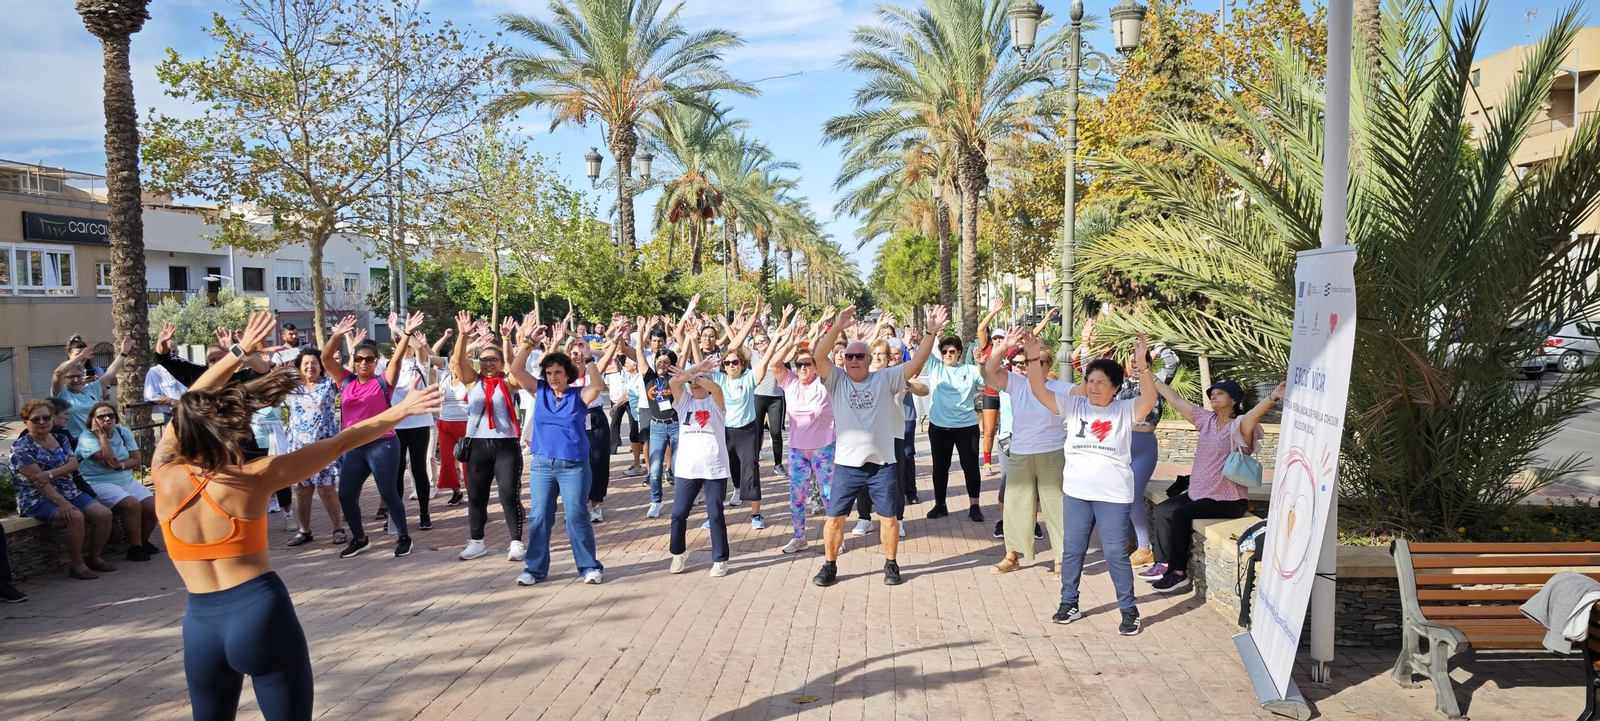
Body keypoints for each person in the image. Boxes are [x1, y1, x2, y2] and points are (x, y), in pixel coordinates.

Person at [152, 310, 441, 721]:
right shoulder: (255, 477)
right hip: (257, 613)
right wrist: (401, 410)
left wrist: (238, 353)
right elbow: (342, 441)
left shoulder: (163, 473)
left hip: (200, 625)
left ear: (182, 427)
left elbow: (190, 401)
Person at [1024, 334, 1156, 636]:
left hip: (1113, 496)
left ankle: (1129, 610)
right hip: (1077, 494)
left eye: (1101, 383)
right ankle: (1069, 603)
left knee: (1115, 554)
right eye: (1090, 381)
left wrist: (1143, 364)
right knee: (1072, 550)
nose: (1094, 387)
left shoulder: (1124, 410)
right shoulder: (1074, 405)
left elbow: (1148, 399)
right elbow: (1039, 391)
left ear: (1115, 388)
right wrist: (1032, 359)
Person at [811, 305, 945, 587]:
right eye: (849, 356)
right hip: (847, 465)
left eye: (860, 356)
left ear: (870, 359)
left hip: (882, 464)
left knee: (889, 518)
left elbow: (916, 364)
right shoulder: (836, 379)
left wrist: (931, 332)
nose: (854, 360)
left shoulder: (885, 378)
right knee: (835, 519)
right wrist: (838, 326)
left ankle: (891, 563)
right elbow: (819, 356)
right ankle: (829, 565)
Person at [1141, 378, 1280, 593]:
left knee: (1181, 514)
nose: (1213, 395)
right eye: (1212, 393)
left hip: (1228, 500)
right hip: (1199, 493)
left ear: (1233, 400)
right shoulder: (1206, 420)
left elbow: (1254, 415)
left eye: (1220, 393)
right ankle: (1164, 564)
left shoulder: (1239, 425)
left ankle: (1178, 573)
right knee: (1163, 510)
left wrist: (1271, 397)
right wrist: (1150, 376)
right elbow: (1175, 399)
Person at [509, 315, 608, 586]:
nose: (553, 377)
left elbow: (597, 386)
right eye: (549, 373)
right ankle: (534, 570)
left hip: (573, 466)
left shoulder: (578, 395)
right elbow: (516, 369)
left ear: (567, 375)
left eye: (558, 373)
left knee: (576, 516)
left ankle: (589, 567)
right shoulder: (539, 391)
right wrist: (529, 343)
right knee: (539, 517)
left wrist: (589, 357)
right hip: (542, 465)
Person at [321, 312, 419, 558]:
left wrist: (406, 333)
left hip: (383, 444)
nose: (364, 363)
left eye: (369, 359)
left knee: (387, 492)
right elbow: (325, 358)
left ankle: (404, 537)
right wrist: (337, 334)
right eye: (359, 359)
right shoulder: (346, 381)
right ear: (353, 361)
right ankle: (360, 539)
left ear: (376, 362)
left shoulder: (384, 382)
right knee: (346, 495)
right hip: (355, 446)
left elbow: (397, 359)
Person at [983, 330, 1070, 575]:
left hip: (1052, 452)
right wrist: (1005, 346)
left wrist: (1086, 349)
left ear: (1049, 365)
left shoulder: (1060, 387)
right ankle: (1012, 556)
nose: (1033, 365)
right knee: (1015, 506)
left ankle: (1061, 558)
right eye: (1029, 361)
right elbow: (990, 369)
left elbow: (1085, 394)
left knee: (1056, 506)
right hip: (1020, 453)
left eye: (1040, 361)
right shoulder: (1017, 383)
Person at [448, 312, 528, 561]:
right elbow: (458, 361)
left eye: (493, 360)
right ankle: (476, 541)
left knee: (508, 494)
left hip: (505, 445)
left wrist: (512, 340)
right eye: (483, 360)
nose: (488, 364)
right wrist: (462, 335)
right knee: (476, 497)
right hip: (477, 445)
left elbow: (518, 366)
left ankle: (516, 542)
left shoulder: (509, 381)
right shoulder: (473, 382)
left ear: (501, 363)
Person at [9, 398, 117, 579]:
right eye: (36, 419)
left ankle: (95, 558)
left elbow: (73, 464)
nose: (42, 422)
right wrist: (62, 503)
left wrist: (50, 474)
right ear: (26, 422)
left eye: (46, 417)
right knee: (75, 517)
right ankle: (77, 565)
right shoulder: (21, 448)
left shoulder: (60, 438)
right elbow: (40, 482)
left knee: (104, 514)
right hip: (37, 497)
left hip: (68, 491)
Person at [701, 303, 768, 527]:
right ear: (723, 365)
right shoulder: (718, 379)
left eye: (735, 362)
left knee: (750, 470)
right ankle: (714, 515)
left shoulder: (748, 378)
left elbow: (764, 359)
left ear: (742, 364)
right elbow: (699, 368)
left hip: (747, 431)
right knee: (718, 472)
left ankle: (756, 515)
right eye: (727, 362)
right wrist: (691, 340)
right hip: (724, 431)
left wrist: (756, 316)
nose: (731, 365)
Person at [665, 358, 732, 576]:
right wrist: (694, 371)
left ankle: (720, 559)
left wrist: (695, 376)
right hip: (687, 468)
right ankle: (678, 553)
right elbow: (674, 383)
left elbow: (717, 388)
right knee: (678, 514)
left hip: (714, 468)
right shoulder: (685, 401)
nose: (695, 384)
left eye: (701, 381)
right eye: (692, 383)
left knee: (715, 514)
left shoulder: (715, 401)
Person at [1120, 343, 1181, 570]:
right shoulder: (1123, 383)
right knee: (1123, 495)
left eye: (1139, 361)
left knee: (1133, 496)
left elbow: (1173, 362)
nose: (1135, 365)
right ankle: (1130, 542)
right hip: (1122, 445)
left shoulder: (1157, 380)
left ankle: (1145, 549)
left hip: (1144, 445)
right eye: (1132, 361)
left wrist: (1158, 347)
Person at [77, 401, 160, 561]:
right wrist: (102, 435)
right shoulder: (87, 437)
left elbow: (136, 459)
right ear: (93, 420)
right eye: (101, 416)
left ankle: (143, 542)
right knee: (132, 505)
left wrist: (122, 465)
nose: (107, 418)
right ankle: (135, 547)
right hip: (97, 482)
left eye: (111, 415)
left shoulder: (122, 432)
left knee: (152, 506)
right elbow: (107, 458)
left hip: (125, 479)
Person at [283, 350, 346, 547]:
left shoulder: (329, 384)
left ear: (321, 366)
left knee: (326, 489)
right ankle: (304, 531)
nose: (310, 367)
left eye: (314, 363)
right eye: (306, 363)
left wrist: (346, 351)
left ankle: (338, 528)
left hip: (324, 446)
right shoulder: (293, 387)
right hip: (299, 447)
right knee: (302, 490)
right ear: (299, 367)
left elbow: (346, 374)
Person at [925, 333, 985, 522]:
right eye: (944, 352)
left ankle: (974, 506)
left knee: (971, 466)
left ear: (959, 352)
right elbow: (923, 351)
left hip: (966, 427)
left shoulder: (970, 370)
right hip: (939, 427)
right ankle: (940, 504)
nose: (948, 355)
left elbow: (989, 381)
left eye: (952, 351)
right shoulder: (935, 367)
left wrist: (982, 365)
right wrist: (929, 332)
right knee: (940, 467)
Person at [388, 327, 438, 530]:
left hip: (419, 423)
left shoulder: (420, 363)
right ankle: (395, 516)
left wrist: (401, 330)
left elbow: (420, 348)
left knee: (419, 469)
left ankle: (424, 513)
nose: (406, 347)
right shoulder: (389, 365)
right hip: (396, 424)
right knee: (396, 470)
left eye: (408, 344)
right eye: (401, 343)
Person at [52, 335, 134, 438]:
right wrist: (81, 356)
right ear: (64, 379)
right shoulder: (61, 393)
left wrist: (123, 352)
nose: (76, 380)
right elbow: (58, 373)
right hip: (74, 442)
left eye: (79, 376)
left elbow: (110, 374)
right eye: (71, 377)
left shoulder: (90, 389)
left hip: (97, 439)